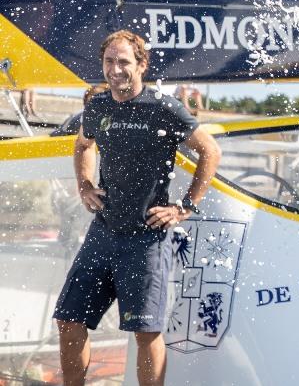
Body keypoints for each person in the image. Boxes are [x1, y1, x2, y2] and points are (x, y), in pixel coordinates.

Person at [52, 30, 221, 386]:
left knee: (145, 333)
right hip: (103, 232)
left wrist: (185, 206)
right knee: (69, 319)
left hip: (146, 239)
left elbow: (210, 151)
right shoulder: (97, 107)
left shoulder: (164, 108)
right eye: (109, 62)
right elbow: (84, 145)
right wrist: (84, 185)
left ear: (141, 65)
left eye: (124, 62)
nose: (115, 70)